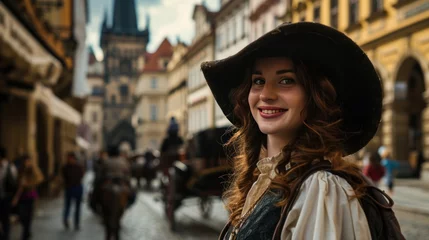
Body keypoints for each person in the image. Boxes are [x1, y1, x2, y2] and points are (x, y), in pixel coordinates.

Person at [201, 22, 389, 239]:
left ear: (314, 96)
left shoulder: (321, 189)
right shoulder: (266, 178)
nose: (266, 94)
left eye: (286, 80)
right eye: (258, 81)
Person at [11, 155, 43, 240]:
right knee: (22, 215)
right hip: (22, 196)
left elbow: (39, 179)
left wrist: (29, 184)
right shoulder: (20, 170)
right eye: (25, 161)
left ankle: (26, 233)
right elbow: (18, 183)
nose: (26, 163)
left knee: (29, 215)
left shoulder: (34, 170)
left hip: (30, 195)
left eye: (28, 161)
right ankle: (27, 231)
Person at [62, 152, 85, 230]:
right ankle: (66, 219)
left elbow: (82, 175)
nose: (69, 160)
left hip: (77, 188)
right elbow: (63, 176)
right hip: (69, 188)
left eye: (71, 158)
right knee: (68, 206)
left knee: (77, 207)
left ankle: (76, 223)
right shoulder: (65, 167)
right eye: (68, 158)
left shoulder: (78, 167)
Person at [0, 147, 18, 240]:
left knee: (5, 219)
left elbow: (14, 183)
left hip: (6, 198)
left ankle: (5, 237)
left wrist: (14, 198)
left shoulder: (10, 167)